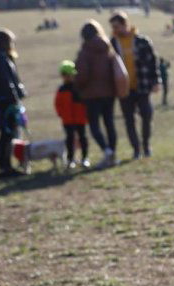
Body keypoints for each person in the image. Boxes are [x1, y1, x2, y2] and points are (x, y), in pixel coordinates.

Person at [110, 11, 160, 160]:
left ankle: (146, 145)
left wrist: (156, 81)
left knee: (146, 115)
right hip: (124, 89)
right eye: (113, 27)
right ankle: (136, 149)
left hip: (142, 86)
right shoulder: (112, 45)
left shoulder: (142, 41)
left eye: (117, 26)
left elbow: (153, 63)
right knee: (129, 120)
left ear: (126, 24)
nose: (115, 29)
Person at [75, 20, 117, 168]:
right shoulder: (108, 49)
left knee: (94, 126)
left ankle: (107, 151)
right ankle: (112, 153)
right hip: (109, 92)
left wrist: (78, 86)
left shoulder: (85, 51)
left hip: (91, 95)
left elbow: (82, 75)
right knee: (109, 123)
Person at [0, 29, 26, 179]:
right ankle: (5, 168)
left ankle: (7, 165)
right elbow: (5, 81)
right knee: (7, 133)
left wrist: (20, 91)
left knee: (9, 133)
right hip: (5, 101)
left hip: (6, 99)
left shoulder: (2, 57)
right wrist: (14, 97)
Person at [54, 60, 90, 168]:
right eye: (65, 75)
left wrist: (86, 114)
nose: (68, 77)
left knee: (82, 137)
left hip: (80, 118)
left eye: (69, 75)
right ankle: (71, 159)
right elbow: (57, 104)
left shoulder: (79, 88)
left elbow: (85, 102)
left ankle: (85, 158)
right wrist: (61, 114)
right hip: (67, 120)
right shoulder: (61, 89)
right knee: (69, 139)